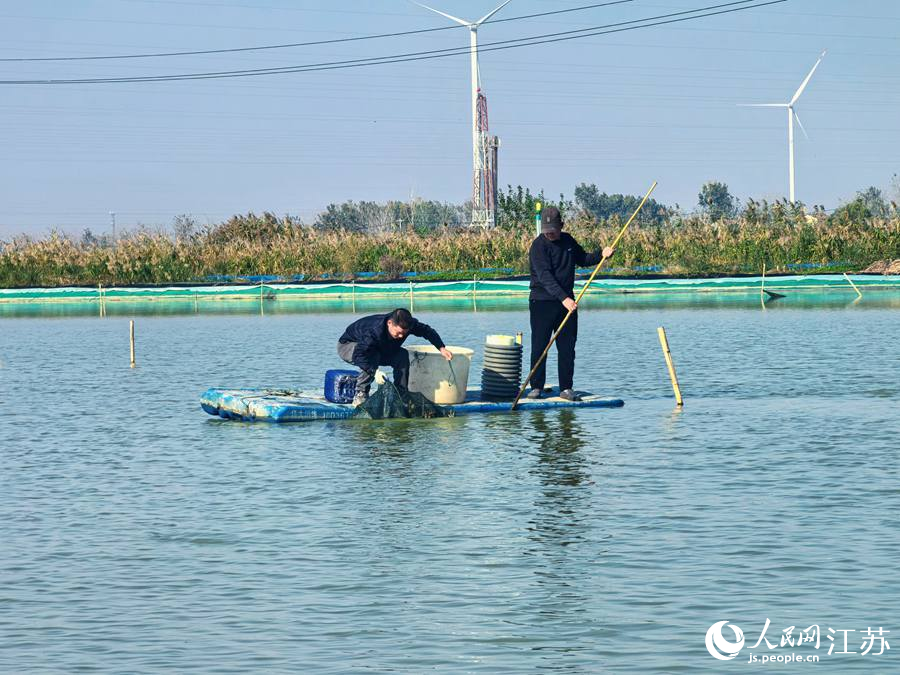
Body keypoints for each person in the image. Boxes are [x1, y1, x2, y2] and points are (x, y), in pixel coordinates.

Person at [527, 206, 614, 401]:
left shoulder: (567, 241)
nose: (549, 234)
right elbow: (545, 277)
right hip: (542, 302)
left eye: (552, 230)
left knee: (567, 347)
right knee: (540, 345)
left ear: (561, 226)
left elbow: (583, 259)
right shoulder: (538, 246)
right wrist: (564, 298)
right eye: (546, 231)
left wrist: (602, 254)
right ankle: (536, 387)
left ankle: (566, 387)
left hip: (567, 303)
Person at [337, 308, 452, 406]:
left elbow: (427, 331)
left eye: (404, 333)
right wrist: (375, 371)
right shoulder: (373, 331)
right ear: (389, 323)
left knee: (402, 355)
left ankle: (401, 394)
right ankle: (360, 394)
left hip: (379, 348)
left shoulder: (409, 325)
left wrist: (441, 348)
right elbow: (360, 355)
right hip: (348, 347)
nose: (401, 336)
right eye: (398, 333)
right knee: (372, 355)